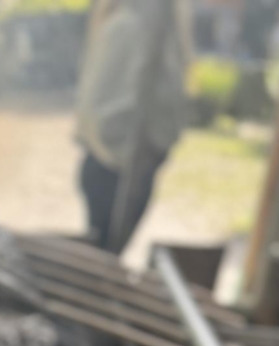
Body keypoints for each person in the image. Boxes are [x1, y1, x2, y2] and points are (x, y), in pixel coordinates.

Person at [74, 0, 193, 253]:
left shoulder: (145, 28)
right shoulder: (129, 26)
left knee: (106, 250)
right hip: (114, 162)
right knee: (104, 250)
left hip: (126, 162)